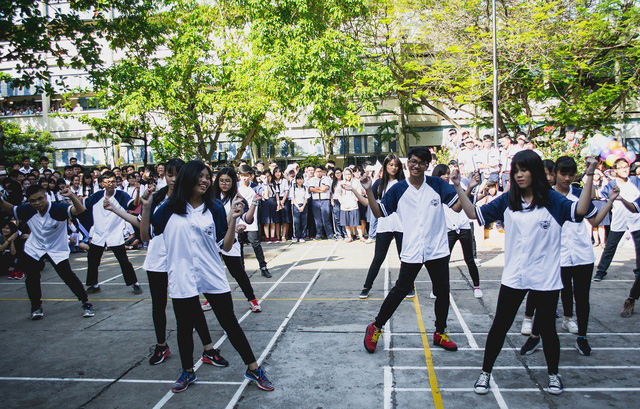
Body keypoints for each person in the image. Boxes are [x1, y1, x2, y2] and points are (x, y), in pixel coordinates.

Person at [451, 150, 598, 395]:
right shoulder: (508, 200)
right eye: (515, 170)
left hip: (546, 278)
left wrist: (590, 173)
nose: (519, 175)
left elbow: (581, 211)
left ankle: (553, 375)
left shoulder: (554, 200)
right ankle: (485, 373)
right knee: (500, 326)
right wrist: (458, 186)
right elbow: (472, 213)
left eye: (524, 170)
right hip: (515, 276)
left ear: (535, 172)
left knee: (548, 330)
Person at [151, 160, 274, 393]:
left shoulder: (215, 208)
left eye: (208, 177)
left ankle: (253, 367)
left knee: (230, 323)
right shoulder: (168, 208)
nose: (205, 180)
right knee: (184, 326)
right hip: (182, 275)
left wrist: (234, 219)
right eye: (201, 176)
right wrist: (147, 208)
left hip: (211, 272)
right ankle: (187, 371)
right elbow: (147, 232)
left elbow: (225, 246)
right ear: (188, 178)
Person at [362, 146, 463, 354]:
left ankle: (440, 332)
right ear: (407, 163)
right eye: (412, 161)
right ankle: (376, 326)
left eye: (421, 162)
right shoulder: (398, 189)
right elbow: (379, 213)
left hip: (437, 249)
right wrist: (369, 190)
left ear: (427, 165)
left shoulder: (437, 184)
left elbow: (457, 207)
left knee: (443, 291)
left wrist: (462, 186)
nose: (416, 166)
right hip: (412, 248)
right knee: (400, 289)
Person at [519, 156, 618, 357]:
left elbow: (595, 220)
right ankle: (535, 336)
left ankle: (582, 337)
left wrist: (610, 202)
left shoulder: (579, 195)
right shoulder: (545, 197)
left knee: (582, 299)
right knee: (546, 299)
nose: (567, 177)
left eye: (571, 174)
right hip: (556, 257)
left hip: (582, 255)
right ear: (554, 174)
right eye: (563, 173)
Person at [0, 185, 95, 319]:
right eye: (33, 201)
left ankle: (86, 302)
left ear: (45, 197)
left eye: (40, 199)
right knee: (31, 277)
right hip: (35, 248)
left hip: (56, 249)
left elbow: (79, 210)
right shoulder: (27, 210)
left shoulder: (58, 208)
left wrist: (72, 196)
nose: (37, 203)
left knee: (68, 276)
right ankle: (36, 307)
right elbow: (11, 209)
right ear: (29, 201)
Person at [203, 167, 262, 313]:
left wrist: (254, 203)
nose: (224, 184)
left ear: (233, 182)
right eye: (222, 180)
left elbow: (247, 219)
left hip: (231, 240)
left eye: (228, 181)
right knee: (211, 271)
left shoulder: (238, 198)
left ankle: (252, 299)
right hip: (212, 239)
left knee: (238, 272)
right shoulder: (210, 198)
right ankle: (210, 299)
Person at [81, 171, 143, 294]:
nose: (111, 184)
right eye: (107, 182)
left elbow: (134, 204)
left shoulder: (121, 195)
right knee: (93, 260)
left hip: (115, 233)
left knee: (123, 260)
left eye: (113, 181)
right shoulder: (96, 196)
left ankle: (134, 283)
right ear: (102, 183)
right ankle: (93, 284)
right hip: (99, 233)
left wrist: (138, 192)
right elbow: (82, 205)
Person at [355, 154, 406, 299]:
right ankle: (367, 286)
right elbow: (368, 203)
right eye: (390, 165)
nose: (393, 167)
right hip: (384, 225)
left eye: (395, 165)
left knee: (405, 258)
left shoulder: (404, 183)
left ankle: (408, 285)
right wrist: (354, 191)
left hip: (401, 225)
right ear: (385, 166)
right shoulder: (378, 184)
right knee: (378, 258)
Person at [433, 164, 483, 298]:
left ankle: (477, 286)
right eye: (443, 174)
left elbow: (465, 200)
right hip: (448, 229)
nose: (446, 176)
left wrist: (474, 188)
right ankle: (439, 288)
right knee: (443, 261)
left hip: (463, 226)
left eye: (448, 173)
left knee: (469, 259)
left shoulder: (454, 187)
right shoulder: (433, 190)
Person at [593, 158, 640, 282]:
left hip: (636, 220)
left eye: (627, 166)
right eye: (621, 167)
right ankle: (601, 271)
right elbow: (603, 196)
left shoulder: (635, 181)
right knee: (610, 247)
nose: (625, 169)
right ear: (615, 170)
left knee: (639, 247)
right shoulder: (611, 184)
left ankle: (638, 272)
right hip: (619, 220)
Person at [238, 165, 271, 278]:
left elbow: (266, 196)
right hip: (239, 221)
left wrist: (265, 183)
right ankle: (241, 269)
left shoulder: (255, 187)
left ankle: (263, 267)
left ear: (251, 176)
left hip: (252, 222)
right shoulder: (236, 187)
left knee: (256, 244)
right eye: (242, 176)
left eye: (246, 176)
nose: (244, 178)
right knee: (239, 246)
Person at [335, 168, 364, 242]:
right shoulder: (341, 183)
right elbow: (338, 193)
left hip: (353, 204)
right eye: (346, 174)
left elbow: (359, 191)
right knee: (346, 222)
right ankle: (349, 236)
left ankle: (360, 236)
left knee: (357, 221)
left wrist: (356, 199)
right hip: (344, 205)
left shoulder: (355, 182)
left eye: (349, 174)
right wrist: (342, 201)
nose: (348, 176)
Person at [290, 173, 309, 242]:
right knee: (296, 222)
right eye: (298, 179)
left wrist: (303, 206)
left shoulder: (305, 188)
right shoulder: (293, 187)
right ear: (296, 180)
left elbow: (306, 198)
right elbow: (292, 197)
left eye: (301, 179)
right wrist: (298, 207)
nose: (300, 181)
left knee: (304, 222)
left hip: (303, 205)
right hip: (296, 206)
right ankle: (295, 236)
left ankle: (303, 236)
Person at [330, 168, 346, 240]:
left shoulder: (344, 181)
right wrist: (332, 200)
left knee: (344, 217)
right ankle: (338, 233)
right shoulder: (333, 182)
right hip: (336, 201)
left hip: (343, 201)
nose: (338, 174)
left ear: (342, 173)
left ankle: (345, 233)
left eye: (339, 173)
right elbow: (331, 193)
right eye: (336, 173)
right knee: (337, 218)